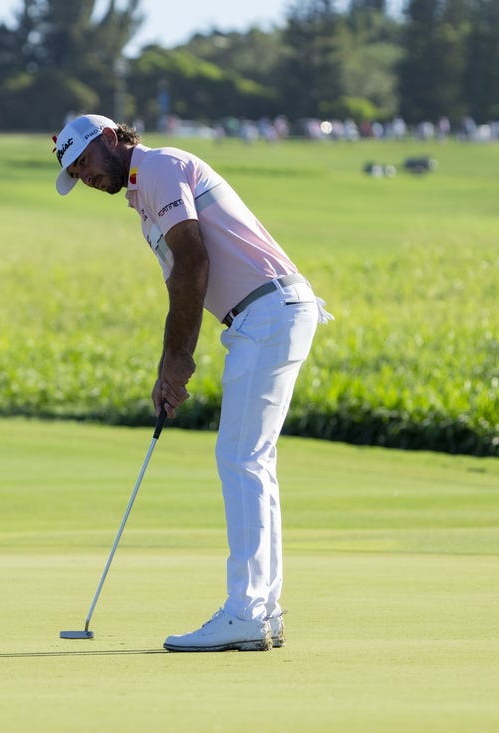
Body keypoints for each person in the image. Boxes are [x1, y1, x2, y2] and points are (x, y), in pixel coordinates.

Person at [51, 114, 332, 652]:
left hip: (267, 311)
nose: (83, 175)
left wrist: (176, 359)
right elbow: (186, 276)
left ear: (110, 138)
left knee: (241, 459)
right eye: (74, 171)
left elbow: (193, 263)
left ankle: (246, 611)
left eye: (84, 161)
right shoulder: (143, 194)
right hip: (266, 315)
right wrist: (171, 361)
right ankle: (263, 611)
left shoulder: (158, 167)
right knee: (252, 460)